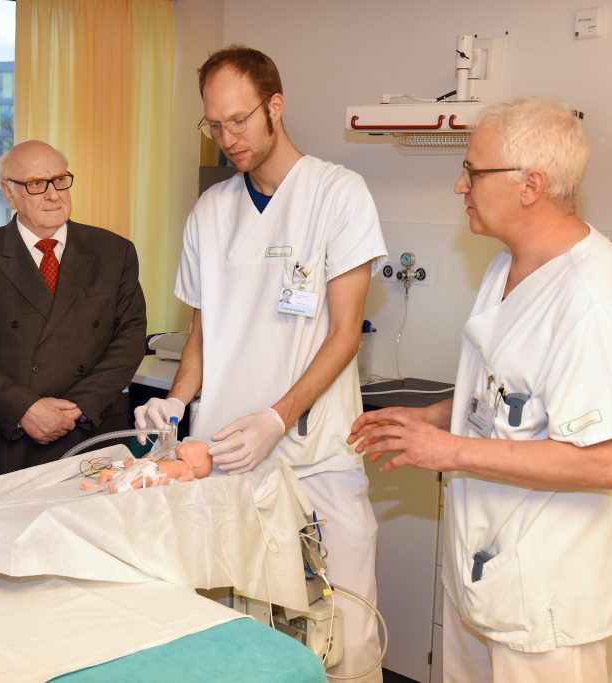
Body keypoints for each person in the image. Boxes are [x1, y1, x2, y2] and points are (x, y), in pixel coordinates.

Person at [348, 98, 612, 683]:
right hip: (483, 573)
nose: (459, 185)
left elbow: (608, 461)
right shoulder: (505, 268)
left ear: (530, 185)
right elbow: (503, 397)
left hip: (546, 597)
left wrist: (450, 451)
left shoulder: (594, 298)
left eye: (474, 171)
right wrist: (436, 418)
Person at [133, 45, 387, 679]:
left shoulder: (338, 195)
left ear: (276, 105)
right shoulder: (211, 211)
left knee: (344, 636)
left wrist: (277, 417)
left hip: (315, 457)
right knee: (233, 634)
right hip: (222, 457)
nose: (227, 139)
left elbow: (344, 333)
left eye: (239, 120)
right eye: (213, 126)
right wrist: (178, 397)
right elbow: (202, 332)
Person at [0, 140, 147, 480]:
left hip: (91, 432)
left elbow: (131, 338)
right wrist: (24, 408)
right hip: (7, 434)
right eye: (37, 185)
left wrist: (78, 407)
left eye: (60, 180)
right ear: (9, 194)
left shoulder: (114, 251)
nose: (54, 194)